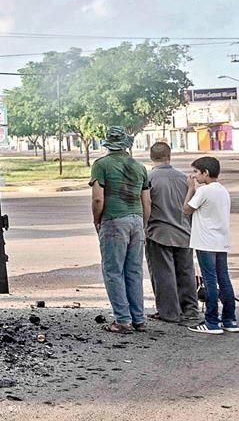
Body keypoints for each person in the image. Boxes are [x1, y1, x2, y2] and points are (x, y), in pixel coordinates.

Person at [90, 126, 150, 333]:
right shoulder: (140, 167)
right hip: (136, 220)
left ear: (107, 143)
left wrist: (97, 220)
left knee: (113, 271)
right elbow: (147, 201)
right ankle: (138, 319)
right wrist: (143, 223)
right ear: (126, 143)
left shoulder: (101, 165)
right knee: (134, 271)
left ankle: (122, 320)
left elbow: (98, 198)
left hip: (114, 220)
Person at [182, 156, 238, 334]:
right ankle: (229, 320)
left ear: (206, 173)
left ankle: (211, 322)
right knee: (224, 279)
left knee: (210, 280)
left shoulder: (204, 191)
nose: (194, 176)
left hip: (205, 242)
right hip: (221, 241)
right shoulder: (222, 191)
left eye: (196, 172)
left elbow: (186, 210)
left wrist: (190, 189)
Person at [145, 142, 199, 324]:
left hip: (159, 233)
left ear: (151, 157)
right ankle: (190, 310)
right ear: (170, 156)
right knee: (186, 272)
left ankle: (169, 313)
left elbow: (145, 205)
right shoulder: (184, 179)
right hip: (184, 232)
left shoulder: (149, 179)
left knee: (163, 274)